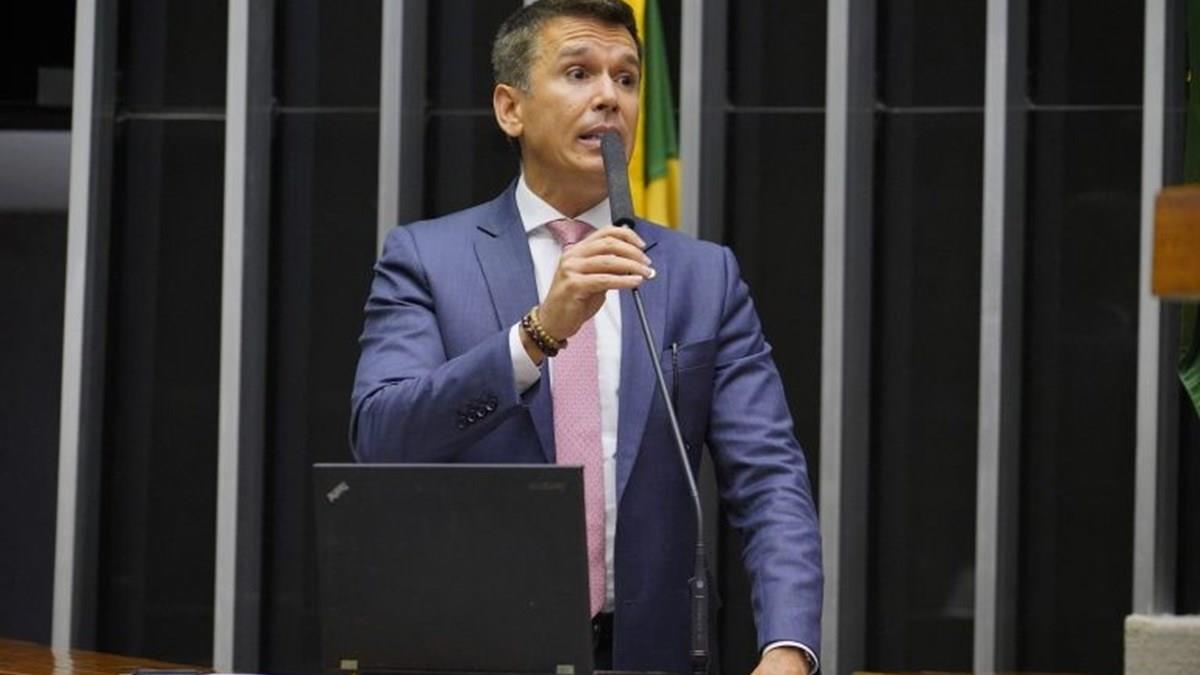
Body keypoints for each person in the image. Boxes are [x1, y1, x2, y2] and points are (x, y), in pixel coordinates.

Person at [350, 1, 821, 673]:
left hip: (655, 654)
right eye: (578, 73)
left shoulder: (702, 276)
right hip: (476, 652)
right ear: (510, 108)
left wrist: (789, 647)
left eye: (626, 79)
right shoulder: (427, 259)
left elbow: (770, 477)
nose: (609, 97)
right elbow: (381, 438)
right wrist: (537, 335)